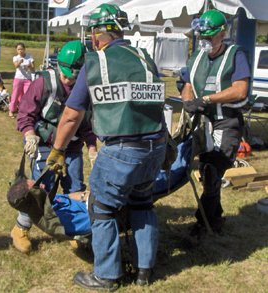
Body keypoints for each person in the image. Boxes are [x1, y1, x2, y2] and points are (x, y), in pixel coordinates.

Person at [46, 3, 167, 291]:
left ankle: (107, 276)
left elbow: (72, 114)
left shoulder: (96, 62)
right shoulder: (145, 58)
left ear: (97, 35)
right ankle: (144, 271)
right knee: (142, 205)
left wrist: (58, 150)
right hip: (155, 146)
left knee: (102, 209)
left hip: (122, 150)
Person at [11, 40, 98, 254]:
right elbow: (25, 114)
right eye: (65, 73)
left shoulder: (88, 87)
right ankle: (20, 228)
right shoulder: (43, 83)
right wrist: (29, 135)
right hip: (45, 146)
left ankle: (74, 229)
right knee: (41, 190)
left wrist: (93, 148)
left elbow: (87, 123)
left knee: (75, 189)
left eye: (73, 76)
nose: (67, 79)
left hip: (74, 148)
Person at [181, 10, 251, 237]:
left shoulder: (235, 55)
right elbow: (188, 85)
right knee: (207, 170)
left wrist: (208, 99)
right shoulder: (196, 57)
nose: (204, 42)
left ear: (222, 33)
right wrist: (188, 102)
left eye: (209, 38)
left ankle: (203, 224)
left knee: (213, 170)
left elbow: (240, 89)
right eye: (201, 37)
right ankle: (216, 216)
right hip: (204, 122)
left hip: (226, 122)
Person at [9, 42, 35, 118]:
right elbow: (16, 66)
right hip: (18, 79)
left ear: (24, 49)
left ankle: (26, 111)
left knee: (28, 96)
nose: (20, 51)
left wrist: (30, 66)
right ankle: (11, 110)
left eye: (21, 49)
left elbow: (33, 68)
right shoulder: (15, 57)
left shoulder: (29, 56)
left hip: (27, 79)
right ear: (16, 50)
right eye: (18, 49)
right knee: (15, 95)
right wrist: (20, 61)